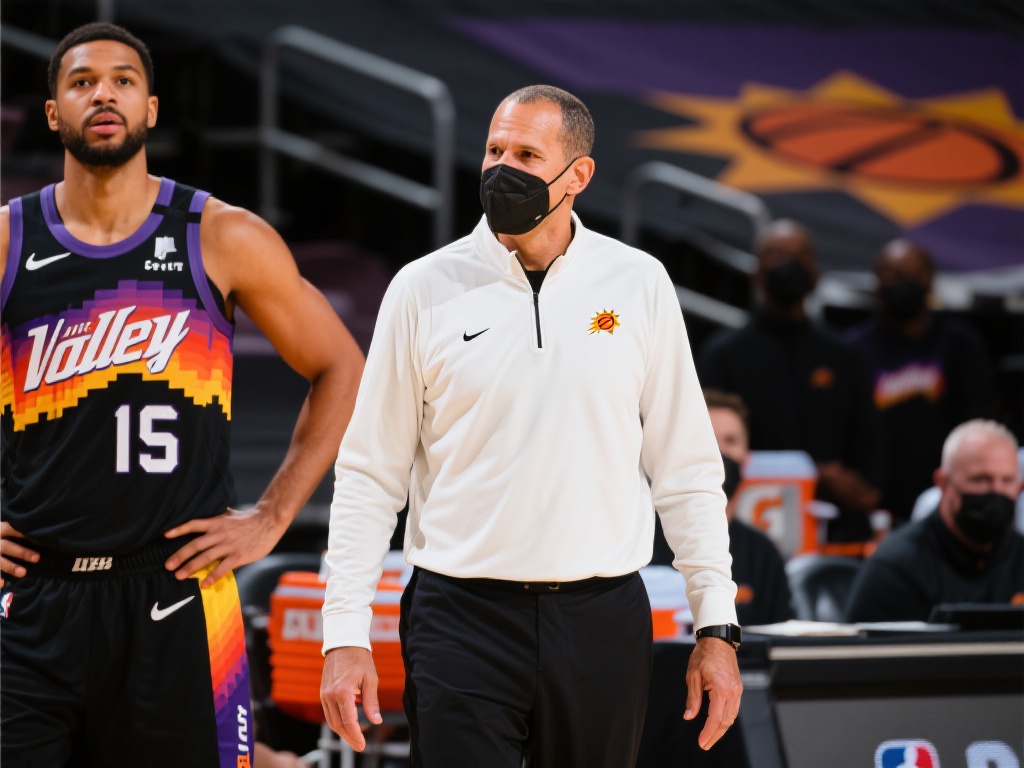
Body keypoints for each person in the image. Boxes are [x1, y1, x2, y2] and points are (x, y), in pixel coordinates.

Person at [319, 84, 742, 767]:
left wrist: (716, 625)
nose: (500, 168)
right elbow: (370, 473)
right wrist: (344, 632)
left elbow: (686, 469)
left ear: (579, 175)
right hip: (459, 617)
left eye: (525, 154)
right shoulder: (423, 288)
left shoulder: (639, 283)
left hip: (602, 618)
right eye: (494, 149)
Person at [0, 22, 364, 767]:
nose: (104, 94)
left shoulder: (220, 236)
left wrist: (272, 516)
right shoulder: (8, 240)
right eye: (82, 82)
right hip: (33, 600)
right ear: (54, 114)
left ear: (152, 108)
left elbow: (342, 367)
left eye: (123, 80)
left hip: (180, 593)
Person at [697, 219, 884, 543]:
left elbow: (870, 447)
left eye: (799, 256)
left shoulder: (845, 357)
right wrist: (810, 474)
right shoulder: (723, 355)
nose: (788, 264)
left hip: (836, 525)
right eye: (776, 254)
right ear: (756, 272)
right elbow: (712, 449)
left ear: (815, 272)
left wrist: (862, 488)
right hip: (748, 524)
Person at [846, 238, 992, 526]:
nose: (903, 283)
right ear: (876, 282)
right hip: (875, 503)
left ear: (930, 281)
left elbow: (977, 421)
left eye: (913, 274)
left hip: (946, 495)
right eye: (893, 274)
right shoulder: (854, 348)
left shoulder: (960, 343)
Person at [845, 419, 1024, 623]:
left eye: (1007, 481)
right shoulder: (897, 568)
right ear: (943, 483)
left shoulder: (1019, 557)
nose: (996, 492)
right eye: (980, 479)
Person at [652, 389, 793, 625]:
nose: (719, 452)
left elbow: (779, 634)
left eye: (731, 441)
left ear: (747, 456)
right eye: (707, 439)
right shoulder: (644, 542)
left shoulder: (761, 552)